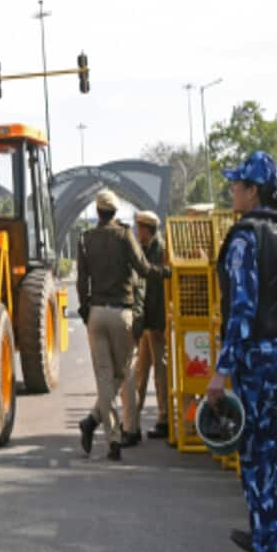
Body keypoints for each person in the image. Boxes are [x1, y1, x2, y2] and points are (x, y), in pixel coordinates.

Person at [206, 151, 277, 552]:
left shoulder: (244, 238)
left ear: (253, 192)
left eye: (237, 185)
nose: (232, 191)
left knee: (259, 460)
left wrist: (220, 372)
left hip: (259, 364)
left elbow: (241, 309)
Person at [76, 189, 170, 461]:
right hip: (122, 313)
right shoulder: (125, 235)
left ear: (97, 212)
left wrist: (86, 311)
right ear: (115, 212)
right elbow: (142, 269)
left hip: (96, 313)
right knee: (125, 372)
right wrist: (166, 272)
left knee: (105, 379)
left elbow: (82, 282)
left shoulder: (85, 239)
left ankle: (111, 439)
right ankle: (118, 426)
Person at [120, 210, 170, 445]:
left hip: (157, 321)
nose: (137, 232)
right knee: (140, 373)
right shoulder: (143, 248)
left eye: (140, 228)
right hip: (145, 321)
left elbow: (157, 285)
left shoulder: (160, 250)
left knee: (160, 372)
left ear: (148, 229)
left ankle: (164, 419)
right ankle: (132, 421)